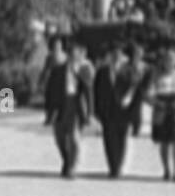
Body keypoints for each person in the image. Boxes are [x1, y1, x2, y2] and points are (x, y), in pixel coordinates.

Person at [45, 40, 93, 178]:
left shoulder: (83, 71)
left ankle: (72, 167)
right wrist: (49, 111)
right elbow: (49, 91)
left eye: (76, 55)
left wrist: (90, 113)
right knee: (59, 138)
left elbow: (89, 93)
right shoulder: (58, 70)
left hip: (76, 106)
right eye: (71, 55)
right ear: (68, 56)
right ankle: (66, 159)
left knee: (74, 137)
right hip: (61, 106)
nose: (73, 58)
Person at [146, 45, 175, 181]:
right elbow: (149, 91)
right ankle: (166, 170)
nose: (169, 62)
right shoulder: (156, 75)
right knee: (164, 142)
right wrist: (155, 101)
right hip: (162, 109)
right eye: (167, 59)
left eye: (172, 59)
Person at [93, 45, 139, 177]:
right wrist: (96, 110)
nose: (115, 59)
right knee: (109, 139)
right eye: (113, 56)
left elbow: (135, 89)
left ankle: (118, 166)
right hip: (107, 111)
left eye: (118, 56)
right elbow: (96, 91)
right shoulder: (102, 71)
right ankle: (112, 166)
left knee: (122, 139)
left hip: (124, 111)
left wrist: (133, 110)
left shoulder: (129, 70)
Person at [38, 33, 68, 126]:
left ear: (62, 45)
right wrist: (41, 81)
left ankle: (61, 118)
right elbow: (45, 69)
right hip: (52, 81)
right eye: (55, 44)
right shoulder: (50, 57)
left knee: (62, 101)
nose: (57, 46)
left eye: (59, 44)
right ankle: (49, 118)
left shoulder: (66, 57)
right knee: (49, 100)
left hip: (62, 81)